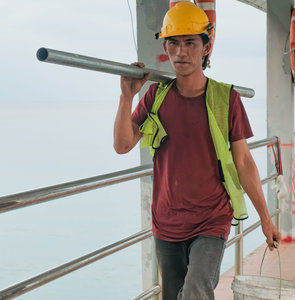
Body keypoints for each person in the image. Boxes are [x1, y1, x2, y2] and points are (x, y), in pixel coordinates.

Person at [113, 2, 281, 299]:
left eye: (190, 42)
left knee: (194, 292)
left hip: (210, 220)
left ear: (206, 47)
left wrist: (266, 221)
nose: (181, 52)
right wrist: (127, 97)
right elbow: (122, 145)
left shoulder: (226, 98)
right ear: (165, 46)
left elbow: (244, 163)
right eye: (174, 43)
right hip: (166, 223)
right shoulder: (155, 96)